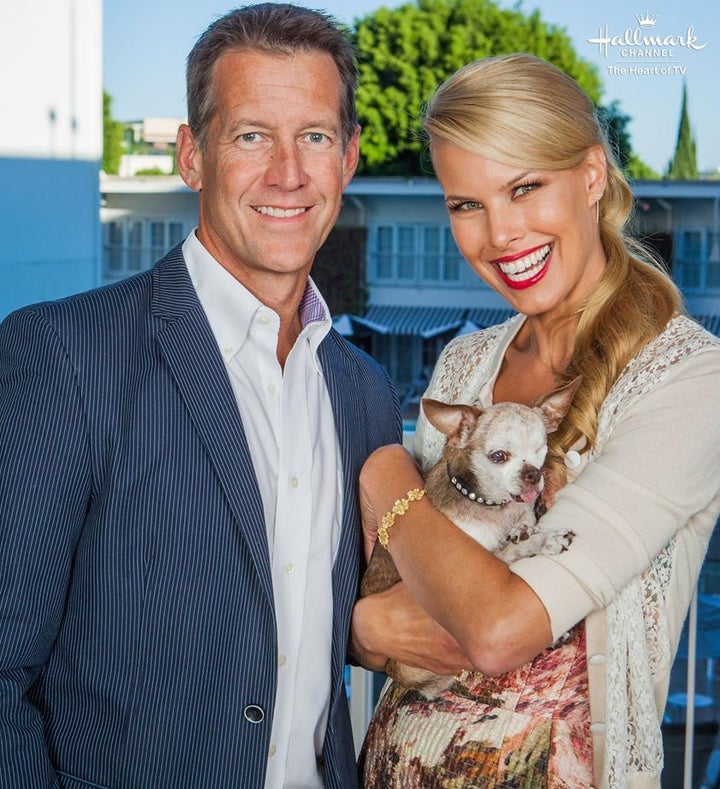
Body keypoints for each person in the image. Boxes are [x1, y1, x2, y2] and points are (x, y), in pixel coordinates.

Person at [0, 4, 401, 787]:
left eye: (314, 136)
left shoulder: (365, 392)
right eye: (251, 135)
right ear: (193, 155)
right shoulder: (64, 356)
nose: (288, 172)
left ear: (348, 158)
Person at [351, 53, 720, 788]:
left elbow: (495, 628)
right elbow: (391, 601)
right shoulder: (464, 366)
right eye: (467, 204)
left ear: (590, 176)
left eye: (525, 188)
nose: (500, 234)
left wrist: (384, 472)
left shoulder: (690, 380)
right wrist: (363, 632)